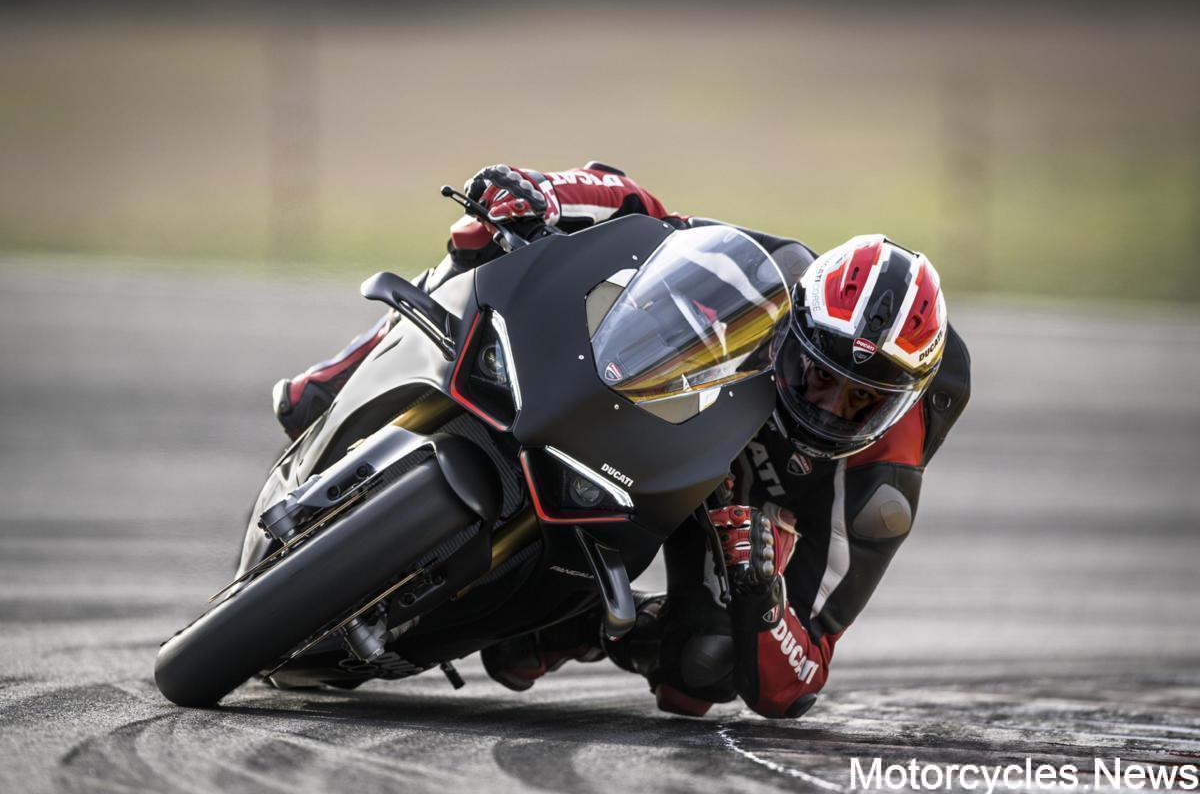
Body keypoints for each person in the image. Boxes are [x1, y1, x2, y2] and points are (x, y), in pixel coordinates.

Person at [273, 162, 971, 719]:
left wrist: (761, 591)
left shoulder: (880, 490)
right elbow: (640, 214)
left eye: (860, 402)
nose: (827, 406)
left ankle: (579, 625)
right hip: (699, 410)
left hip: (765, 506)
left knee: (703, 670)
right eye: (817, 374)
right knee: (486, 234)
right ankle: (343, 373)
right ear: (797, 324)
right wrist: (545, 191)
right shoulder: (774, 275)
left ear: (901, 403)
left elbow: (798, 681)